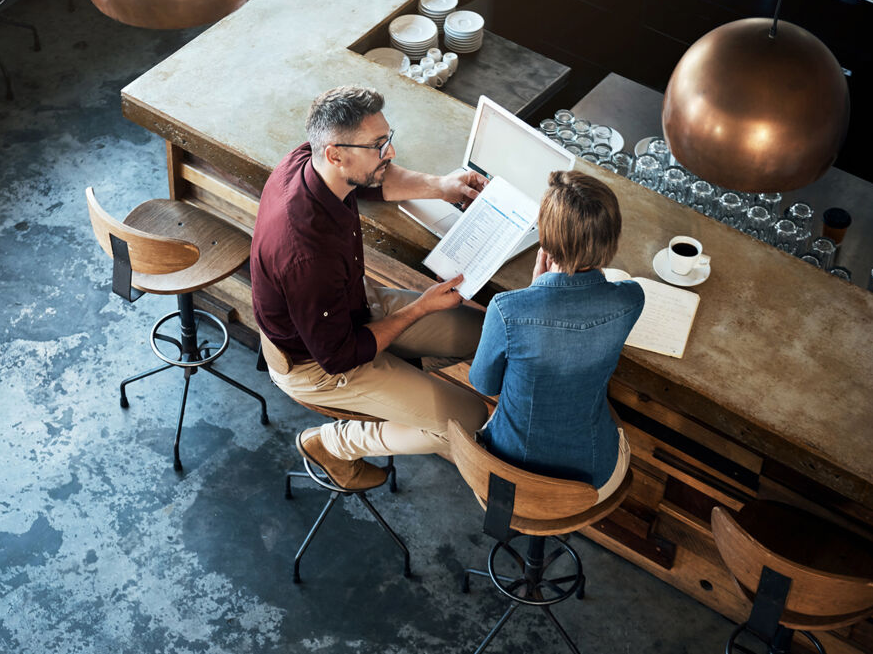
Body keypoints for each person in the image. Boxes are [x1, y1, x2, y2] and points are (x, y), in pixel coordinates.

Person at [251, 85, 490, 491]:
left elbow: (371, 180)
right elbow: (340, 355)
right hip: (319, 363)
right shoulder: (306, 254)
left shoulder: (310, 160)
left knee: (484, 334)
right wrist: (419, 309)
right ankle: (332, 444)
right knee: (469, 420)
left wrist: (441, 185)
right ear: (335, 154)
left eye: (388, 139)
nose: (390, 153)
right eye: (379, 145)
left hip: (351, 305)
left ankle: (412, 385)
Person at [469, 170, 644, 502]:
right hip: (590, 483)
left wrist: (536, 289)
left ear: (545, 242)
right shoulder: (631, 299)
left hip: (508, 477)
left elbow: (484, 385)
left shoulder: (507, 311)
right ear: (612, 239)